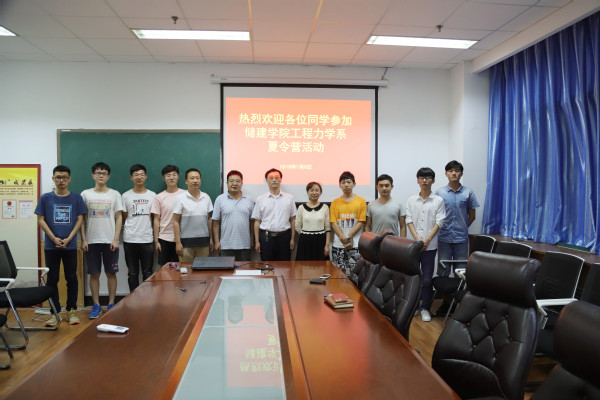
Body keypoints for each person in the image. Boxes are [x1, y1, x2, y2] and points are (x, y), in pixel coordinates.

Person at [35, 165, 86, 326]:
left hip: (70, 246)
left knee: (71, 278)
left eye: (64, 177)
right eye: (58, 177)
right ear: (53, 179)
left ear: (69, 179)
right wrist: (53, 238)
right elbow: (40, 219)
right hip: (51, 246)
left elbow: (80, 219)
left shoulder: (77, 198)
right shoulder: (45, 198)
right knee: (52, 279)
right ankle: (54, 312)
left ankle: (71, 311)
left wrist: (70, 238)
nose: (61, 180)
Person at [434, 160, 480, 316]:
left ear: (461, 173)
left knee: (461, 272)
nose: (454, 173)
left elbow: (472, 215)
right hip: (444, 238)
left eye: (457, 170)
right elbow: (436, 215)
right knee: (443, 271)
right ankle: (446, 304)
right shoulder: (439, 193)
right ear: (446, 173)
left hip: (461, 239)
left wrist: (462, 227)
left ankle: (460, 305)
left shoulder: (468, 193)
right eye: (450, 171)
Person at [80, 162, 124, 319]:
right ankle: (96, 305)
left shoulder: (115, 194)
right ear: (93, 175)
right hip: (91, 241)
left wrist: (116, 239)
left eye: (104, 173)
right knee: (94, 274)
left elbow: (119, 217)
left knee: (111, 273)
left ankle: (111, 303)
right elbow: (81, 219)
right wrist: (83, 239)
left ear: (108, 176)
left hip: (110, 241)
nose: (101, 175)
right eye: (98, 173)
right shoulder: (85, 194)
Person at [405, 167, 446, 322]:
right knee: (414, 277)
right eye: (421, 178)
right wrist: (417, 239)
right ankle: (414, 306)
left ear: (433, 180)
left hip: (430, 245)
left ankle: (425, 308)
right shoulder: (411, 200)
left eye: (427, 178)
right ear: (417, 180)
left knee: (427, 279)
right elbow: (408, 220)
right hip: (413, 246)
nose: (424, 180)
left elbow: (440, 221)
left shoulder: (438, 200)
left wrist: (427, 240)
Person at [121, 164, 156, 292]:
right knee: (132, 273)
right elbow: (124, 216)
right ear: (131, 177)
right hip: (130, 239)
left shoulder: (153, 195)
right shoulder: (125, 196)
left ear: (146, 176)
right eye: (136, 175)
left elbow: (155, 217)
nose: (139, 177)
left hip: (147, 239)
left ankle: (147, 298)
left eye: (142, 174)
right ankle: (133, 299)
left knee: (148, 272)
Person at [252, 168, 296, 261]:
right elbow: (257, 221)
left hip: (284, 237)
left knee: (285, 266)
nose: (274, 180)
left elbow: (293, 219)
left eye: (277, 177)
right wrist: (257, 241)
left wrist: (292, 239)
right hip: (266, 238)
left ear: (281, 180)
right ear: (266, 180)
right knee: (267, 266)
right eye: (271, 178)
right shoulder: (260, 199)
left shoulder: (289, 198)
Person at [212, 170, 254, 261]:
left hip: (245, 245)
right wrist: (217, 242)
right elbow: (215, 222)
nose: (234, 183)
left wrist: (251, 240)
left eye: (237, 181)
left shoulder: (249, 199)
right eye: (231, 181)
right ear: (227, 183)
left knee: (245, 269)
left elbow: (252, 222)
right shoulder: (220, 199)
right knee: (226, 270)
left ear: (242, 183)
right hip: (225, 245)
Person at [330, 171, 367, 274]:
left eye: (349, 182)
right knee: (338, 274)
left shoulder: (361, 201)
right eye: (343, 182)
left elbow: (361, 222)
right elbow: (333, 223)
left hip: (355, 244)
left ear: (354, 184)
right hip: (338, 244)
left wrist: (348, 237)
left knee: (355, 274)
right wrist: (343, 239)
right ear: (340, 185)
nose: (346, 185)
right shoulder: (335, 202)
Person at [173, 168, 213, 262]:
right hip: (186, 244)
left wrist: (211, 239)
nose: (195, 181)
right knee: (186, 270)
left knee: (203, 270)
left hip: (204, 243)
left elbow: (209, 219)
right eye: (192, 178)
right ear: (186, 181)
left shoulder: (206, 197)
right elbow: (175, 221)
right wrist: (178, 243)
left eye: (197, 178)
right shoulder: (180, 198)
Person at [150, 165, 185, 267]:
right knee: (164, 270)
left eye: (174, 175)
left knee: (181, 269)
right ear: (164, 178)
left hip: (182, 238)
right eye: (168, 175)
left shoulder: (185, 195)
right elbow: (156, 220)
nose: (171, 178)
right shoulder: (159, 197)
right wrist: (156, 241)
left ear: (178, 176)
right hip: (164, 239)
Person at [295, 181, 331, 260]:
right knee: (304, 266)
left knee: (321, 266)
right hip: (305, 241)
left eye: (317, 190)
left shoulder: (325, 207)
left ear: (320, 192)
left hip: (320, 241)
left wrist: (327, 245)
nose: (314, 193)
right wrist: (306, 234)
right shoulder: (301, 207)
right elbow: (297, 226)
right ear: (307, 192)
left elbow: (328, 227)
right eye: (311, 190)